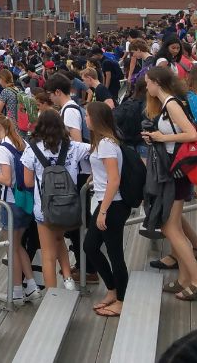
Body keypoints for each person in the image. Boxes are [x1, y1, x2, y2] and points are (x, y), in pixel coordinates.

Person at [142, 67, 197, 301]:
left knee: (170, 227)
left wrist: (163, 138)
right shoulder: (168, 104)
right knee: (176, 227)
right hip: (173, 170)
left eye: (147, 83)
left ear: (156, 83)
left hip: (176, 173)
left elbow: (191, 134)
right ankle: (184, 278)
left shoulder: (171, 104)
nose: (146, 87)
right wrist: (155, 137)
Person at [19, 109, 91, 293]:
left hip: (45, 208)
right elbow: (96, 149)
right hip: (68, 206)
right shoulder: (73, 147)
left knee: (48, 255)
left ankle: (53, 296)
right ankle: (67, 278)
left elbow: (27, 182)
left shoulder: (32, 148)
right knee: (59, 239)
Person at [0, 112, 39, 303]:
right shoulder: (20, 141)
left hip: (11, 202)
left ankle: (17, 291)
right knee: (19, 245)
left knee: (12, 247)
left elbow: (6, 179)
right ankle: (31, 285)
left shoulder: (2, 149)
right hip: (26, 201)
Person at [84, 101, 128, 318]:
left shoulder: (106, 144)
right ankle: (112, 290)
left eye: (87, 115)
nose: (85, 119)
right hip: (106, 201)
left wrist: (103, 211)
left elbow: (114, 180)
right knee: (90, 246)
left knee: (114, 254)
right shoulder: (102, 143)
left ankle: (121, 299)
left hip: (111, 204)